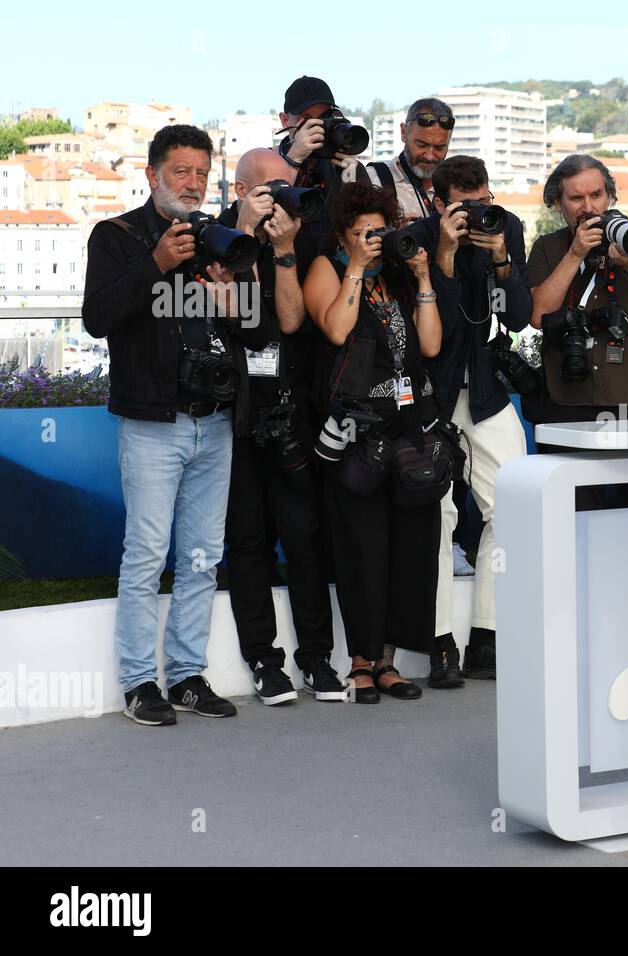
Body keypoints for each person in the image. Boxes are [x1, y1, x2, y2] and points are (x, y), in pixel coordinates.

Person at [83, 124, 270, 725]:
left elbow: (258, 336)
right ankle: (140, 683)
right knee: (145, 556)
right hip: (152, 421)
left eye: (200, 172)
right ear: (152, 176)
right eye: (180, 171)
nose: (192, 183)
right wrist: (157, 264)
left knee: (200, 556)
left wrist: (232, 296)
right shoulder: (116, 237)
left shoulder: (222, 240)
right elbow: (97, 318)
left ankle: (188, 674)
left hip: (215, 421)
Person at [302, 183, 444, 703]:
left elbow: (430, 344)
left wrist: (424, 276)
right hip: (357, 431)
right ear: (343, 233)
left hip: (408, 428)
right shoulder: (328, 267)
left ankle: (387, 661)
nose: (373, 240)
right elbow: (336, 329)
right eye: (363, 232)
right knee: (362, 547)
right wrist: (356, 267)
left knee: (411, 545)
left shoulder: (401, 274)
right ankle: (360, 662)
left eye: (379, 231)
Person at [218, 148, 346, 704]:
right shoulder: (217, 238)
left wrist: (286, 249)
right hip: (240, 414)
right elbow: (246, 325)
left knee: (306, 541)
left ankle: (317, 659)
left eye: (290, 186)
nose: (284, 198)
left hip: (295, 407)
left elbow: (291, 322)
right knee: (248, 545)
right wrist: (246, 238)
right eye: (272, 187)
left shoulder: (303, 239)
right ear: (241, 191)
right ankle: (264, 663)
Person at [411, 155, 531, 685]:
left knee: (512, 505)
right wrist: (446, 250)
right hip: (432, 393)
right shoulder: (416, 236)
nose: (480, 212)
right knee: (436, 516)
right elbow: (433, 321)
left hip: (484, 390)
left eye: (484, 200)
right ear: (438, 204)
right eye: (465, 206)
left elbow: (518, 316)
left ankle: (489, 635)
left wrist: (502, 258)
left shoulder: (504, 228)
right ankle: (438, 643)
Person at [527, 154, 628, 434]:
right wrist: (575, 254)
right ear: (557, 205)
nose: (589, 207)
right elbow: (538, 316)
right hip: (568, 401)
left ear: (610, 196)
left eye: (596, 195)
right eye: (576, 199)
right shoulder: (547, 248)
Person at [347, 96, 454, 224]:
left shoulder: (456, 185)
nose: (430, 155)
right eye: (421, 144)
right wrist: (394, 237)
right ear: (403, 132)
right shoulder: (371, 179)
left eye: (439, 148)